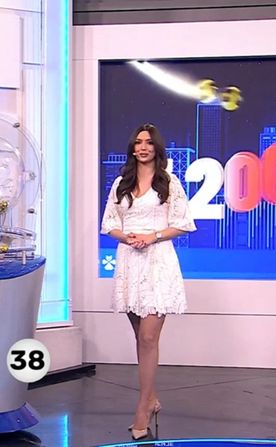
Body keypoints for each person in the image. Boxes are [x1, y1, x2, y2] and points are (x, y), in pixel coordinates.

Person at [101, 123, 196, 441]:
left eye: (148, 142)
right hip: (130, 261)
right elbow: (109, 223)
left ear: (157, 148)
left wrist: (151, 236)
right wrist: (126, 237)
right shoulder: (121, 183)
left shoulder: (169, 183)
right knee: (140, 339)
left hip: (158, 262)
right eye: (138, 142)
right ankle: (152, 399)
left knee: (148, 338)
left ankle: (142, 409)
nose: (142, 147)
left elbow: (183, 224)